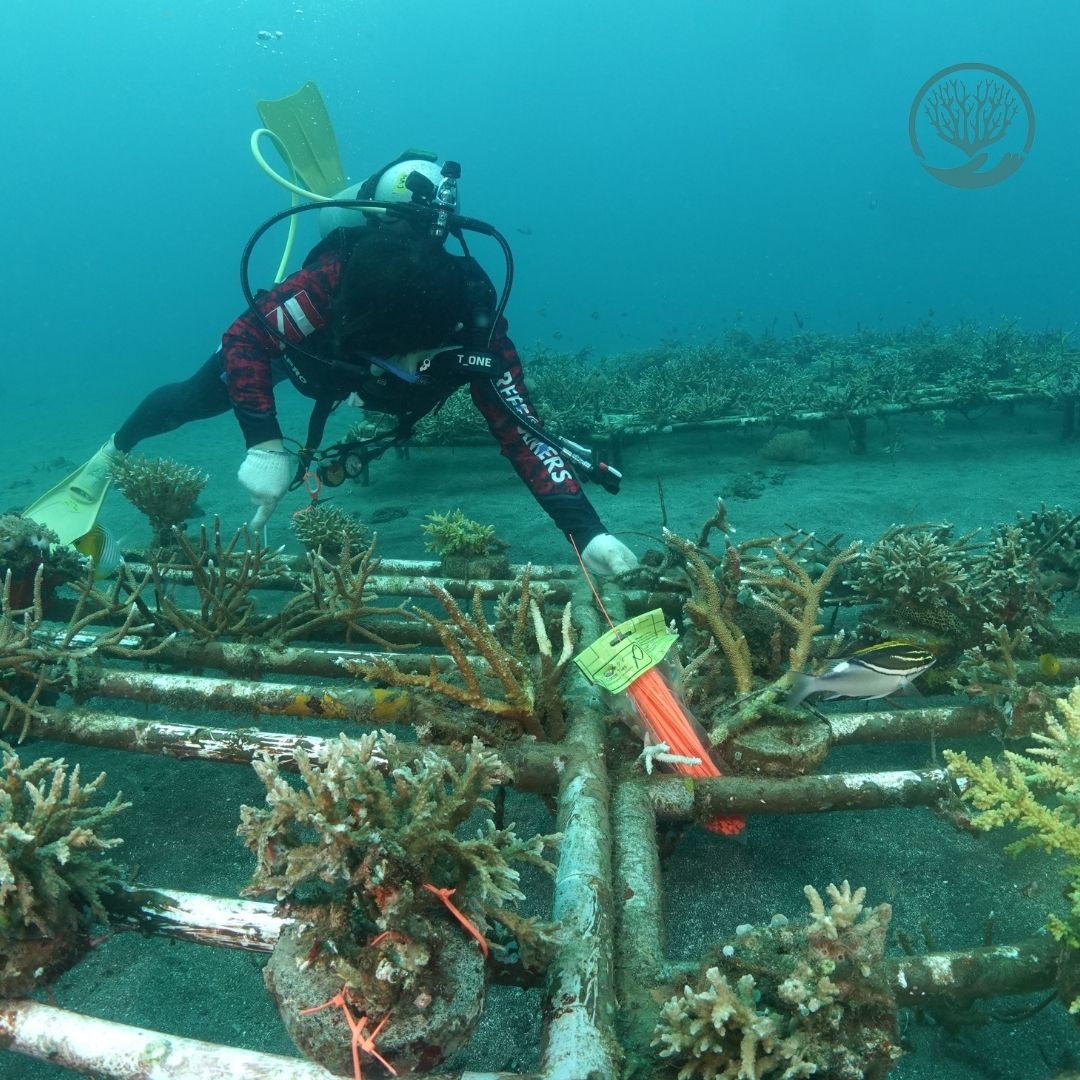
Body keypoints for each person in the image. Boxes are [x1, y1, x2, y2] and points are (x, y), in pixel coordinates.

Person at [45, 155, 636, 576]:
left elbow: (523, 432)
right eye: (392, 357)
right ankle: (110, 454)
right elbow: (245, 338)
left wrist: (589, 534)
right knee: (191, 400)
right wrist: (264, 444)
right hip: (315, 360)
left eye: (414, 359)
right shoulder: (325, 285)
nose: (405, 369)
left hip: (357, 361)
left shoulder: (477, 322)